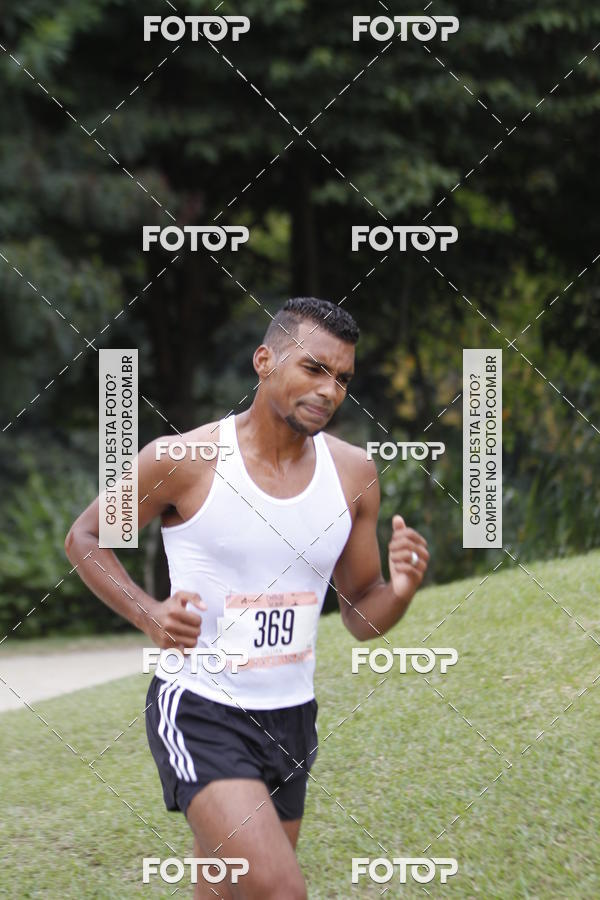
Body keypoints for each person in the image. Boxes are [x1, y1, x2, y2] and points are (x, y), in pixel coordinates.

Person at [65, 296, 429, 899]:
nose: (329, 391)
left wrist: (404, 588)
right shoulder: (187, 461)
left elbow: (362, 613)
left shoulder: (354, 474)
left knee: (224, 890)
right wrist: (149, 614)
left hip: (292, 717)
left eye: (342, 378)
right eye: (313, 368)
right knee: (280, 892)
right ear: (265, 360)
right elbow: (86, 537)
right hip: (201, 707)